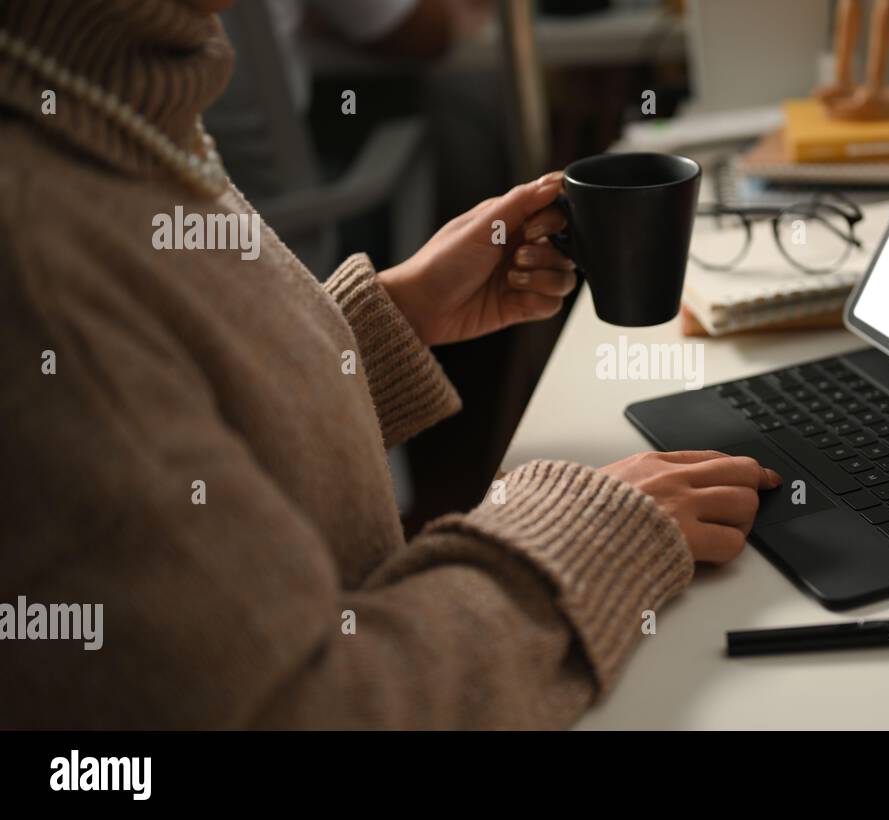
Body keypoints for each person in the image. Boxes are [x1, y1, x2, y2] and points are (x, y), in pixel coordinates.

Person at [0, 0, 779, 729]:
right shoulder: (37, 253)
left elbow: (176, 425)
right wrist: (587, 536)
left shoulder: (114, 86)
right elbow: (311, 707)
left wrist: (378, 330)